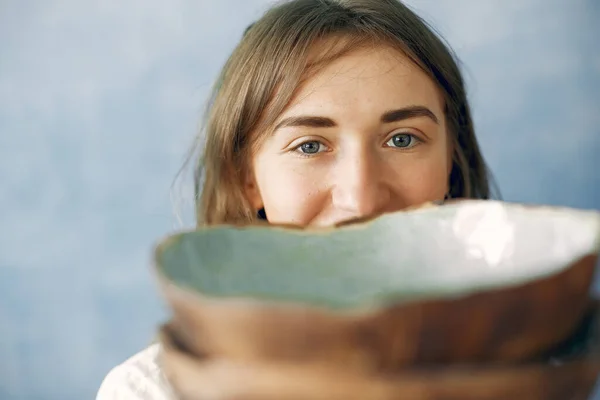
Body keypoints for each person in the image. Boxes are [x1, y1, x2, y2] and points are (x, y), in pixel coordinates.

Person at [97, 0, 498, 398]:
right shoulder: (150, 391)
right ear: (247, 179)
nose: (360, 202)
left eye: (402, 139)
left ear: (451, 162)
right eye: (309, 146)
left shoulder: (549, 374)